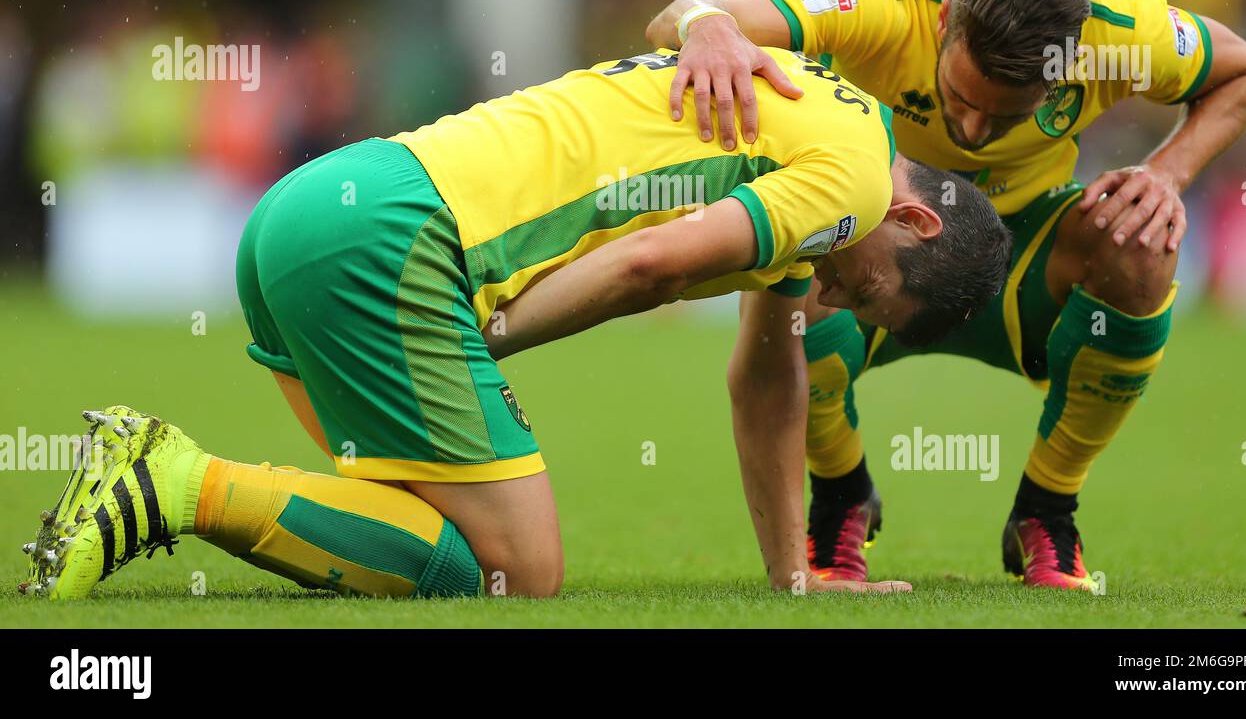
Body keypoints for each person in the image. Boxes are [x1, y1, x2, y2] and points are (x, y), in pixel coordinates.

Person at [22, 45, 1011, 600]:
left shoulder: (821, 112)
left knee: (440, 550)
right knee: (520, 570)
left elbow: (763, 374)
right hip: (394, 240)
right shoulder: (842, 185)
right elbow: (646, 264)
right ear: (912, 219)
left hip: (315, 207)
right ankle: (173, 481)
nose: (834, 301)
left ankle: (171, 488)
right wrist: (480, 336)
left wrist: (792, 570)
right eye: (868, 290)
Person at [646, 0, 1246, 590]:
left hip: (1026, 257)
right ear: (943, 24)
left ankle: (1048, 508)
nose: (971, 132)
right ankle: (840, 495)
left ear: (1069, 66)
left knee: (1145, 239)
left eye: (1003, 115)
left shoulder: (1123, 31)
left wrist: (1167, 174)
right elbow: (686, 15)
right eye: (959, 97)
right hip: (883, 240)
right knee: (792, 266)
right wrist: (706, 24)